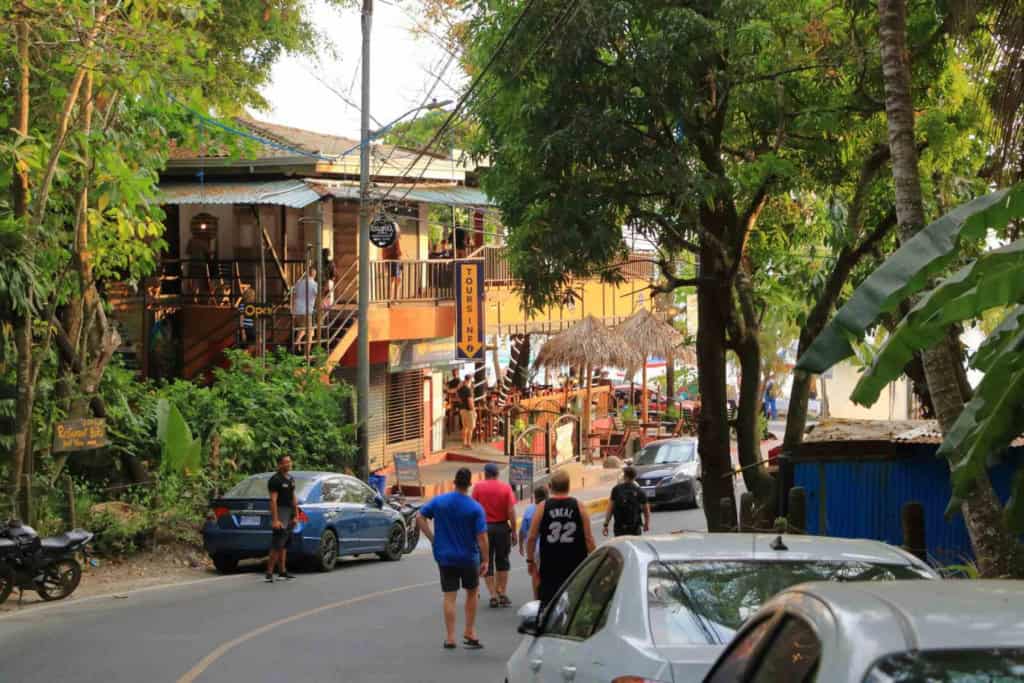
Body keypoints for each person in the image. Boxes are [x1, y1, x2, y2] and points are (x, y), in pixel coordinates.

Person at [417, 468, 489, 650]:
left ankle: (450, 637)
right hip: (468, 558)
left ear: (454, 482)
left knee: (449, 596)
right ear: (469, 484)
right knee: (472, 592)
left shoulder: (440, 501)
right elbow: (482, 538)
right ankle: (469, 631)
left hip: (445, 557)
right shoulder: (475, 508)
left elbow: (419, 517)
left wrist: (432, 539)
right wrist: (486, 559)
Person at [526, 469, 595, 607]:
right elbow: (588, 538)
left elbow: (532, 537)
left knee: (548, 603)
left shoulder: (542, 507)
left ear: (550, 487)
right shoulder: (579, 506)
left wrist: (530, 560)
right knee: (575, 599)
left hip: (550, 562)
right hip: (575, 562)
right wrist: (595, 559)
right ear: (568, 486)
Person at [472, 462, 517, 608]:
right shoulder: (506, 488)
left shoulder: (478, 487)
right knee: (503, 560)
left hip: (484, 529)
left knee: (487, 561)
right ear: (497, 474)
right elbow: (511, 511)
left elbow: (473, 510)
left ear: (485, 474)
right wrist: (514, 530)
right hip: (502, 528)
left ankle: (492, 595)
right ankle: (501, 592)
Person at [267, 455, 300, 583]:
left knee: (285, 545)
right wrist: (275, 519)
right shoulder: (275, 480)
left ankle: (282, 571)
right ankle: (269, 573)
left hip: (289, 513)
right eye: (286, 462)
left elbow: (293, 497)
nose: (289, 464)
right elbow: (273, 500)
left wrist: (296, 515)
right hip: (280, 513)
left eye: (290, 462)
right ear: (279, 465)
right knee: (277, 544)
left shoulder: (291, 479)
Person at [604, 466, 651, 537]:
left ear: (624, 476)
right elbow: (646, 510)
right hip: (634, 528)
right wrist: (646, 524)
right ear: (634, 477)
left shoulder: (616, 489)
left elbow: (610, 509)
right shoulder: (640, 491)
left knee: (621, 547)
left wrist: (606, 525)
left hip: (619, 528)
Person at [518, 485, 548, 600]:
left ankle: (537, 599)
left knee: (535, 574)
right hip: (548, 546)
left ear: (535, 497)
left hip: (534, 548)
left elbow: (523, 531)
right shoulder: (549, 507)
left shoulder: (529, 510)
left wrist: (520, 545)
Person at [291, 265, 318, 355]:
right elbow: (318, 296)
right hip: (307, 311)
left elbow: (294, 295)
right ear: (314, 274)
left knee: (305, 329)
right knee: (309, 333)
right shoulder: (314, 285)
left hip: (297, 309)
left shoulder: (299, 282)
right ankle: (305, 352)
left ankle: (297, 344)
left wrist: (292, 309)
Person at [381, 225, 403, 299]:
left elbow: (383, 253)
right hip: (395, 261)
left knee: (393, 280)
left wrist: (385, 262)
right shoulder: (394, 239)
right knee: (396, 280)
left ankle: (392, 298)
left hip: (390, 261)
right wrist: (400, 259)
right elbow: (397, 251)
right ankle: (395, 298)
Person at [458, 375, 475, 448]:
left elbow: (457, 396)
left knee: (464, 427)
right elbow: (470, 402)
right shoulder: (468, 390)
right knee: (470, 428)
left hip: (462, 410)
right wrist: (474, 410)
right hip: (468, 410)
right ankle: (469, 443)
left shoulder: (460, 389)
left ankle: (464, 443)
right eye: (471, 381)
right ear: (469, 380)